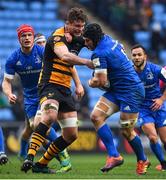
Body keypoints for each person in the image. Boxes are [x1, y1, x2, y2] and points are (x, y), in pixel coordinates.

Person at [21, 7, 93, 173]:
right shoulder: (57, 37)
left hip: (65, 89)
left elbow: (95, 39)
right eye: (76, 26)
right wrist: (87, 62)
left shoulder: (79, 38)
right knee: (50, 116)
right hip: (49, 84)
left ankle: (41, 165)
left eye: (82, 26)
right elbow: (65, 57)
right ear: (67, 24)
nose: (80, 30)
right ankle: (29, 157)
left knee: (71, 134)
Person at [2, 24, 72, 172]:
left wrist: (77, 84)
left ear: (33, 37)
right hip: (29, 98)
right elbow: (6, 81)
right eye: (23, 36)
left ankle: (62, 153)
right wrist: (9, 93)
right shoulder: (13, 58)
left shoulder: (42, 52)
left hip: (46, 93)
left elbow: (67, 64)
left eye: (29, 35)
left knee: (40, 125)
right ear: (19, 39)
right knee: (32, 127)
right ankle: (27, 152)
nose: (27, 38)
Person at [82, 23, 150, 175]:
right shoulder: (108, 39)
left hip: (132, 92)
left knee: (126, 131)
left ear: (94, 39)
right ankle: (114, 155)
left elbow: (99, 81)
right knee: (96, 116)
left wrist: (90, 81)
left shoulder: (100, 52)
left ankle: (142, 159)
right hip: (117, 89)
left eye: (87, 41)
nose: (85, 44)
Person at [131, 44, 166, 171]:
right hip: (142, 109)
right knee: (152, 137)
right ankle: (163, 163)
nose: (137, 57)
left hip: (159, 107)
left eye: (139, 54)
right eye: (134, 55)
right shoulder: (128, 72)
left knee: (165, 139)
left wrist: (162, 99)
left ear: (145, 56)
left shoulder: (156, 69)